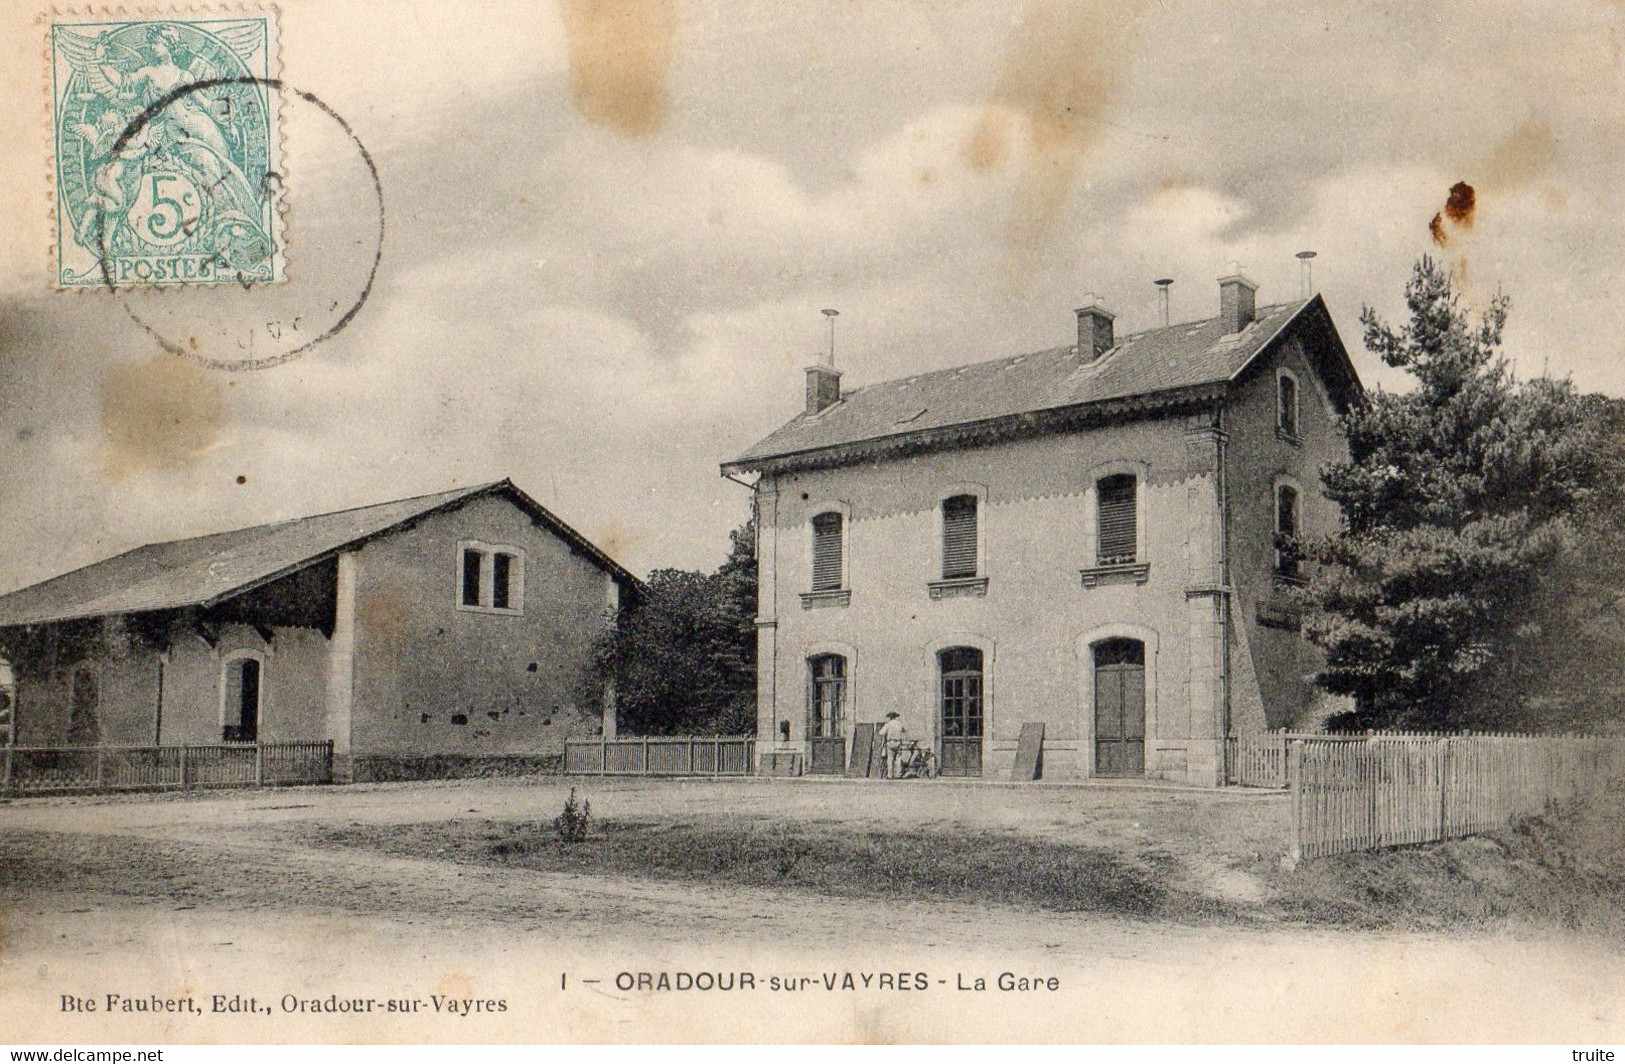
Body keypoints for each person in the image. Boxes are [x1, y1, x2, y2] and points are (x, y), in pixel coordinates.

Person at [877, 711, 909, 779]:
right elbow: (905, 730)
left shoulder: (888, 724)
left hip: (890, 742)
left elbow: (881, 733)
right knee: (898, 759)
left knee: (890, 759)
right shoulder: (899, 724)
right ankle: (898, 775)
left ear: (890, 717)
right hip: (898, 742)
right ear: (895, 717)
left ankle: (890, 775)